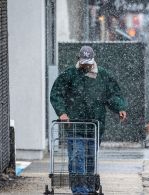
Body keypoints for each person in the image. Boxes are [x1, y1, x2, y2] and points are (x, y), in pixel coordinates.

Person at [50, 45, 127, 193]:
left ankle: (90, 188)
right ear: (79, 59)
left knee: (90, 159)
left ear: (93, 60)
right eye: (84, 62)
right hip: (75, 126)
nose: (86, 65)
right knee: (77, 158)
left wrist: (120, 108)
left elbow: (113, 95)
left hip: (95, 126)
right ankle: (80, 191)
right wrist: (62, 113)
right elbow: (57, 94)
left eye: (89, 62)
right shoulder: (70, 74)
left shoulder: (103, 76)